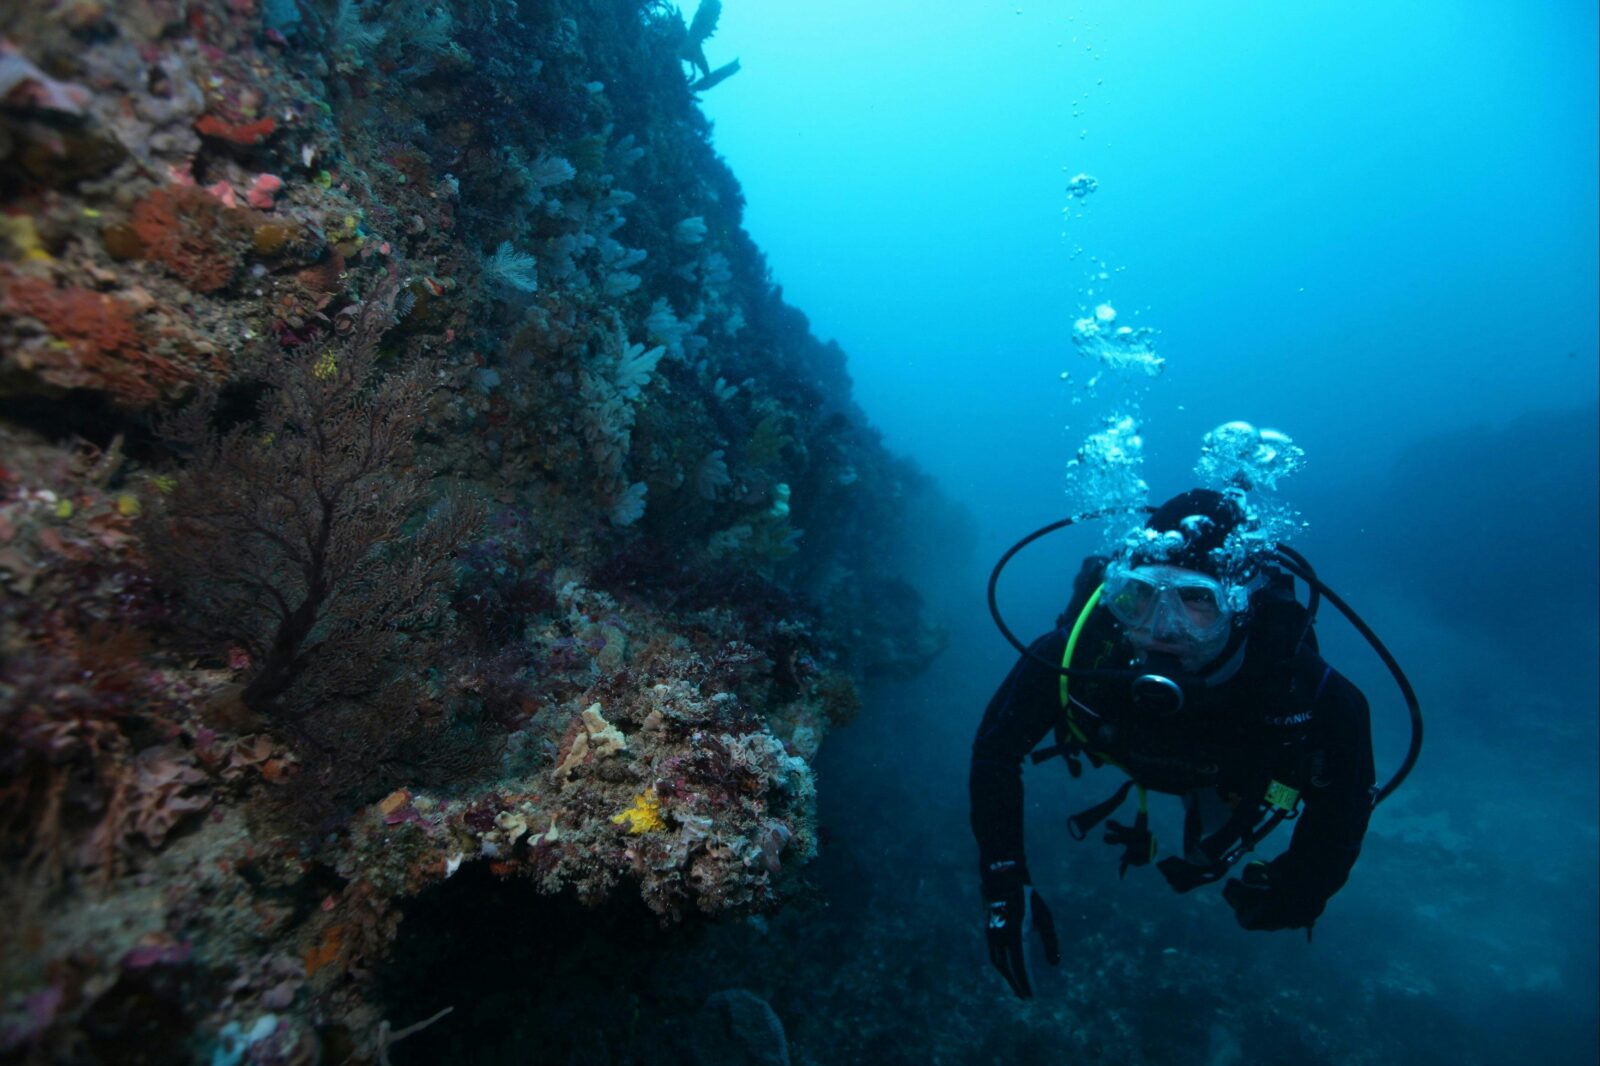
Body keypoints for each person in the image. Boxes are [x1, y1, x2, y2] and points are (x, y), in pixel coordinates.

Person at [970, 489, 1376, 999]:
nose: (1162, 627)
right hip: (1139, 752)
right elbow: (996, 751)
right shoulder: (1078, 654)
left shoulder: (1309, 693)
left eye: (1198, 599)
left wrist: (1303, 888)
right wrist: (1004, 883)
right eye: (1139, 594)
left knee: (1210, 844)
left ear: (1240, 606)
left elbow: (1343, 806)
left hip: (1231, 778)